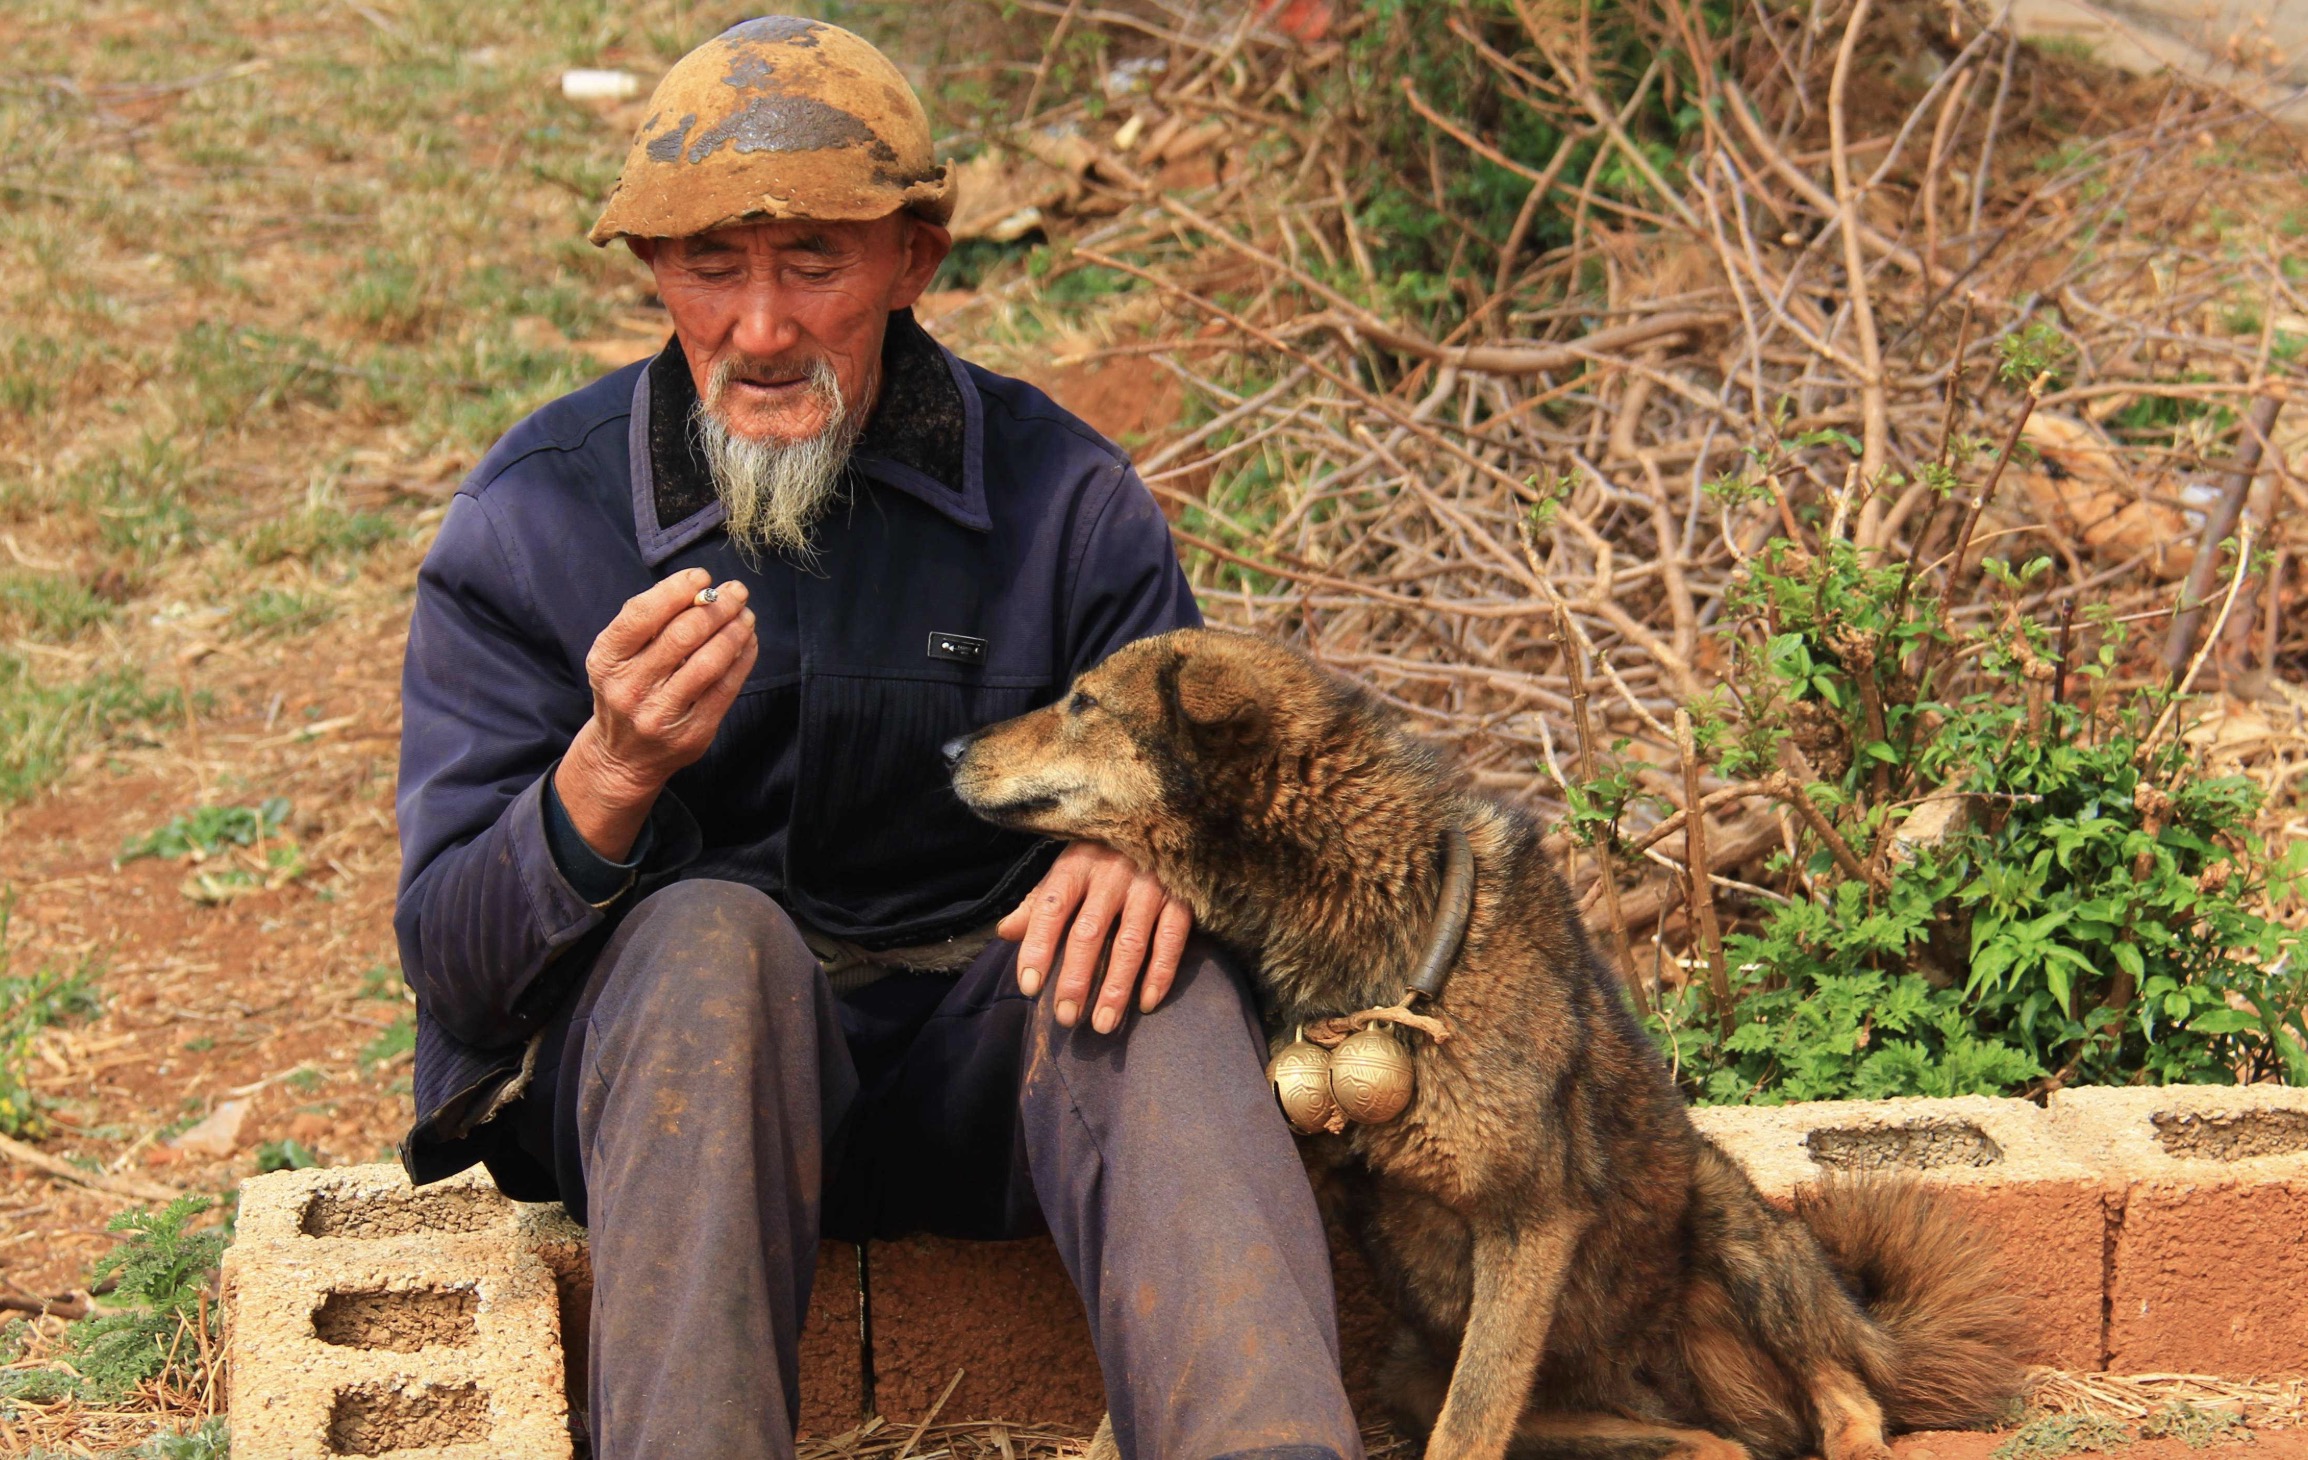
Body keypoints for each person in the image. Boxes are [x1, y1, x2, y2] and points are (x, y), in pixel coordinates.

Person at [392, 18, 1361, 1460]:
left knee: (1143, 972)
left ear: (914, 258)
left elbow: (1229, 802)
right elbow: (454, 965)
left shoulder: (1066, 505)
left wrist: (1166, 857)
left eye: (814, 264)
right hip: (679, 1106)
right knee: (711, 942)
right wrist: (606, 776)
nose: (761, 328)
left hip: (998, 1081)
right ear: (656, 271)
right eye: (713, 265)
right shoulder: (534, 521)